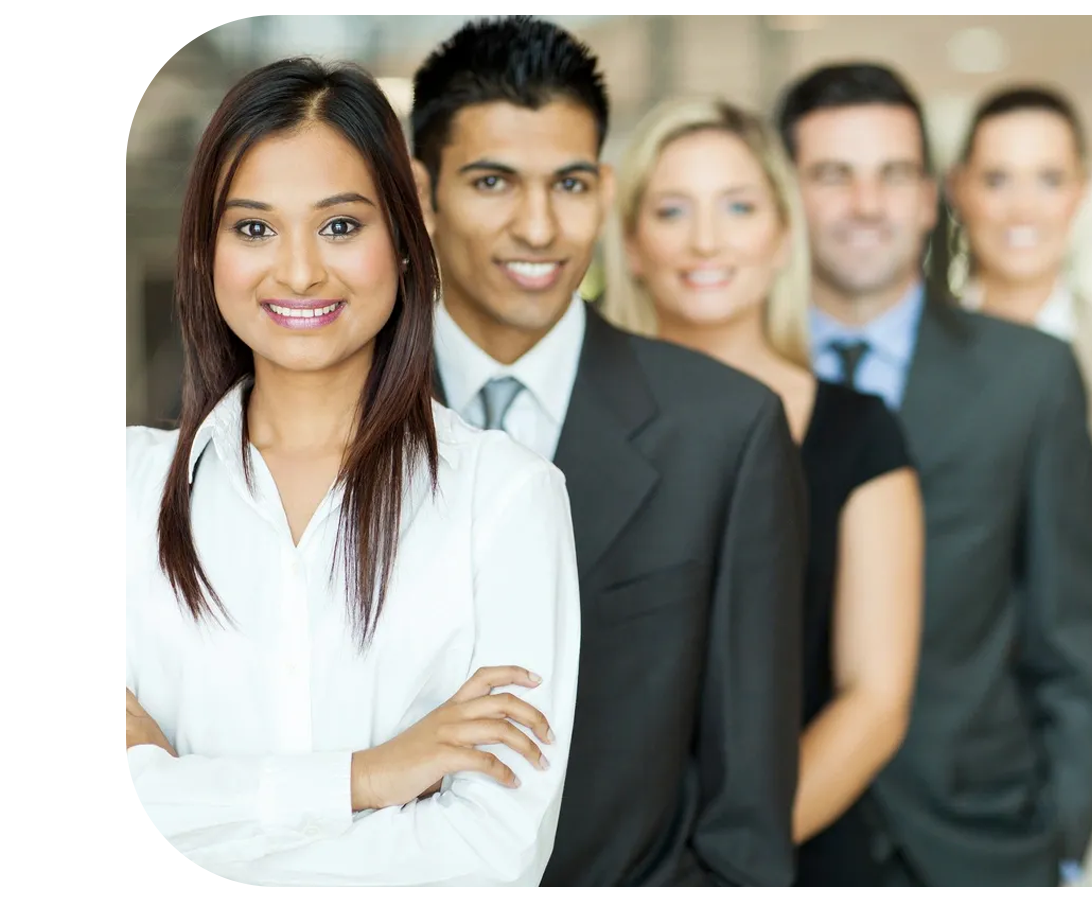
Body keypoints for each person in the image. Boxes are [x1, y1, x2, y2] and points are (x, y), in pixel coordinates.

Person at [124, 57, 582, 890]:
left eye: (340, 226)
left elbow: (487, 857)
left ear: (405, 241)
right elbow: (51, 812)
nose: (299, 272)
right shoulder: (92, 492)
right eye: (253, 228)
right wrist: (366, 778)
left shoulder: (510, 497)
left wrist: (178, 811)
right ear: (205, 251)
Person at [411, 15, 808, 894]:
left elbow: (747, 809)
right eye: (492, 181)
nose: (540, 225)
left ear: (606, 188)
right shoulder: (327, 413)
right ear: (420, 194)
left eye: (570, 182)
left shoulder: (726, 430)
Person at [776, 62, 1092, 893]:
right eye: (833, 175)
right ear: (786, 193)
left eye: (894, 174)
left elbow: (1068, 632)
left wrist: (1063, 833)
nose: (868, 204)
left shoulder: (1033, 376)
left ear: (928, 195)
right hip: (780, 831)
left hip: (981, 840)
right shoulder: (735, 380)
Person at [600, 95, 924, 892]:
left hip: (793, 858)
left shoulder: (859, 431)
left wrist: (716, 864)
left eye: (738, 207)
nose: (706, 240)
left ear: (783, 236)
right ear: (633, 244)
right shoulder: (570, 424)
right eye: (673, 210)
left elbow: (875, 700)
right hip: (596, 862)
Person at [946, 84, 1092, 432]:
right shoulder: (914, 344)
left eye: (1050, 180)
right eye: (997, 180)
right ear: (958, 188)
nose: (1023, 209)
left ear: (1082, 188)